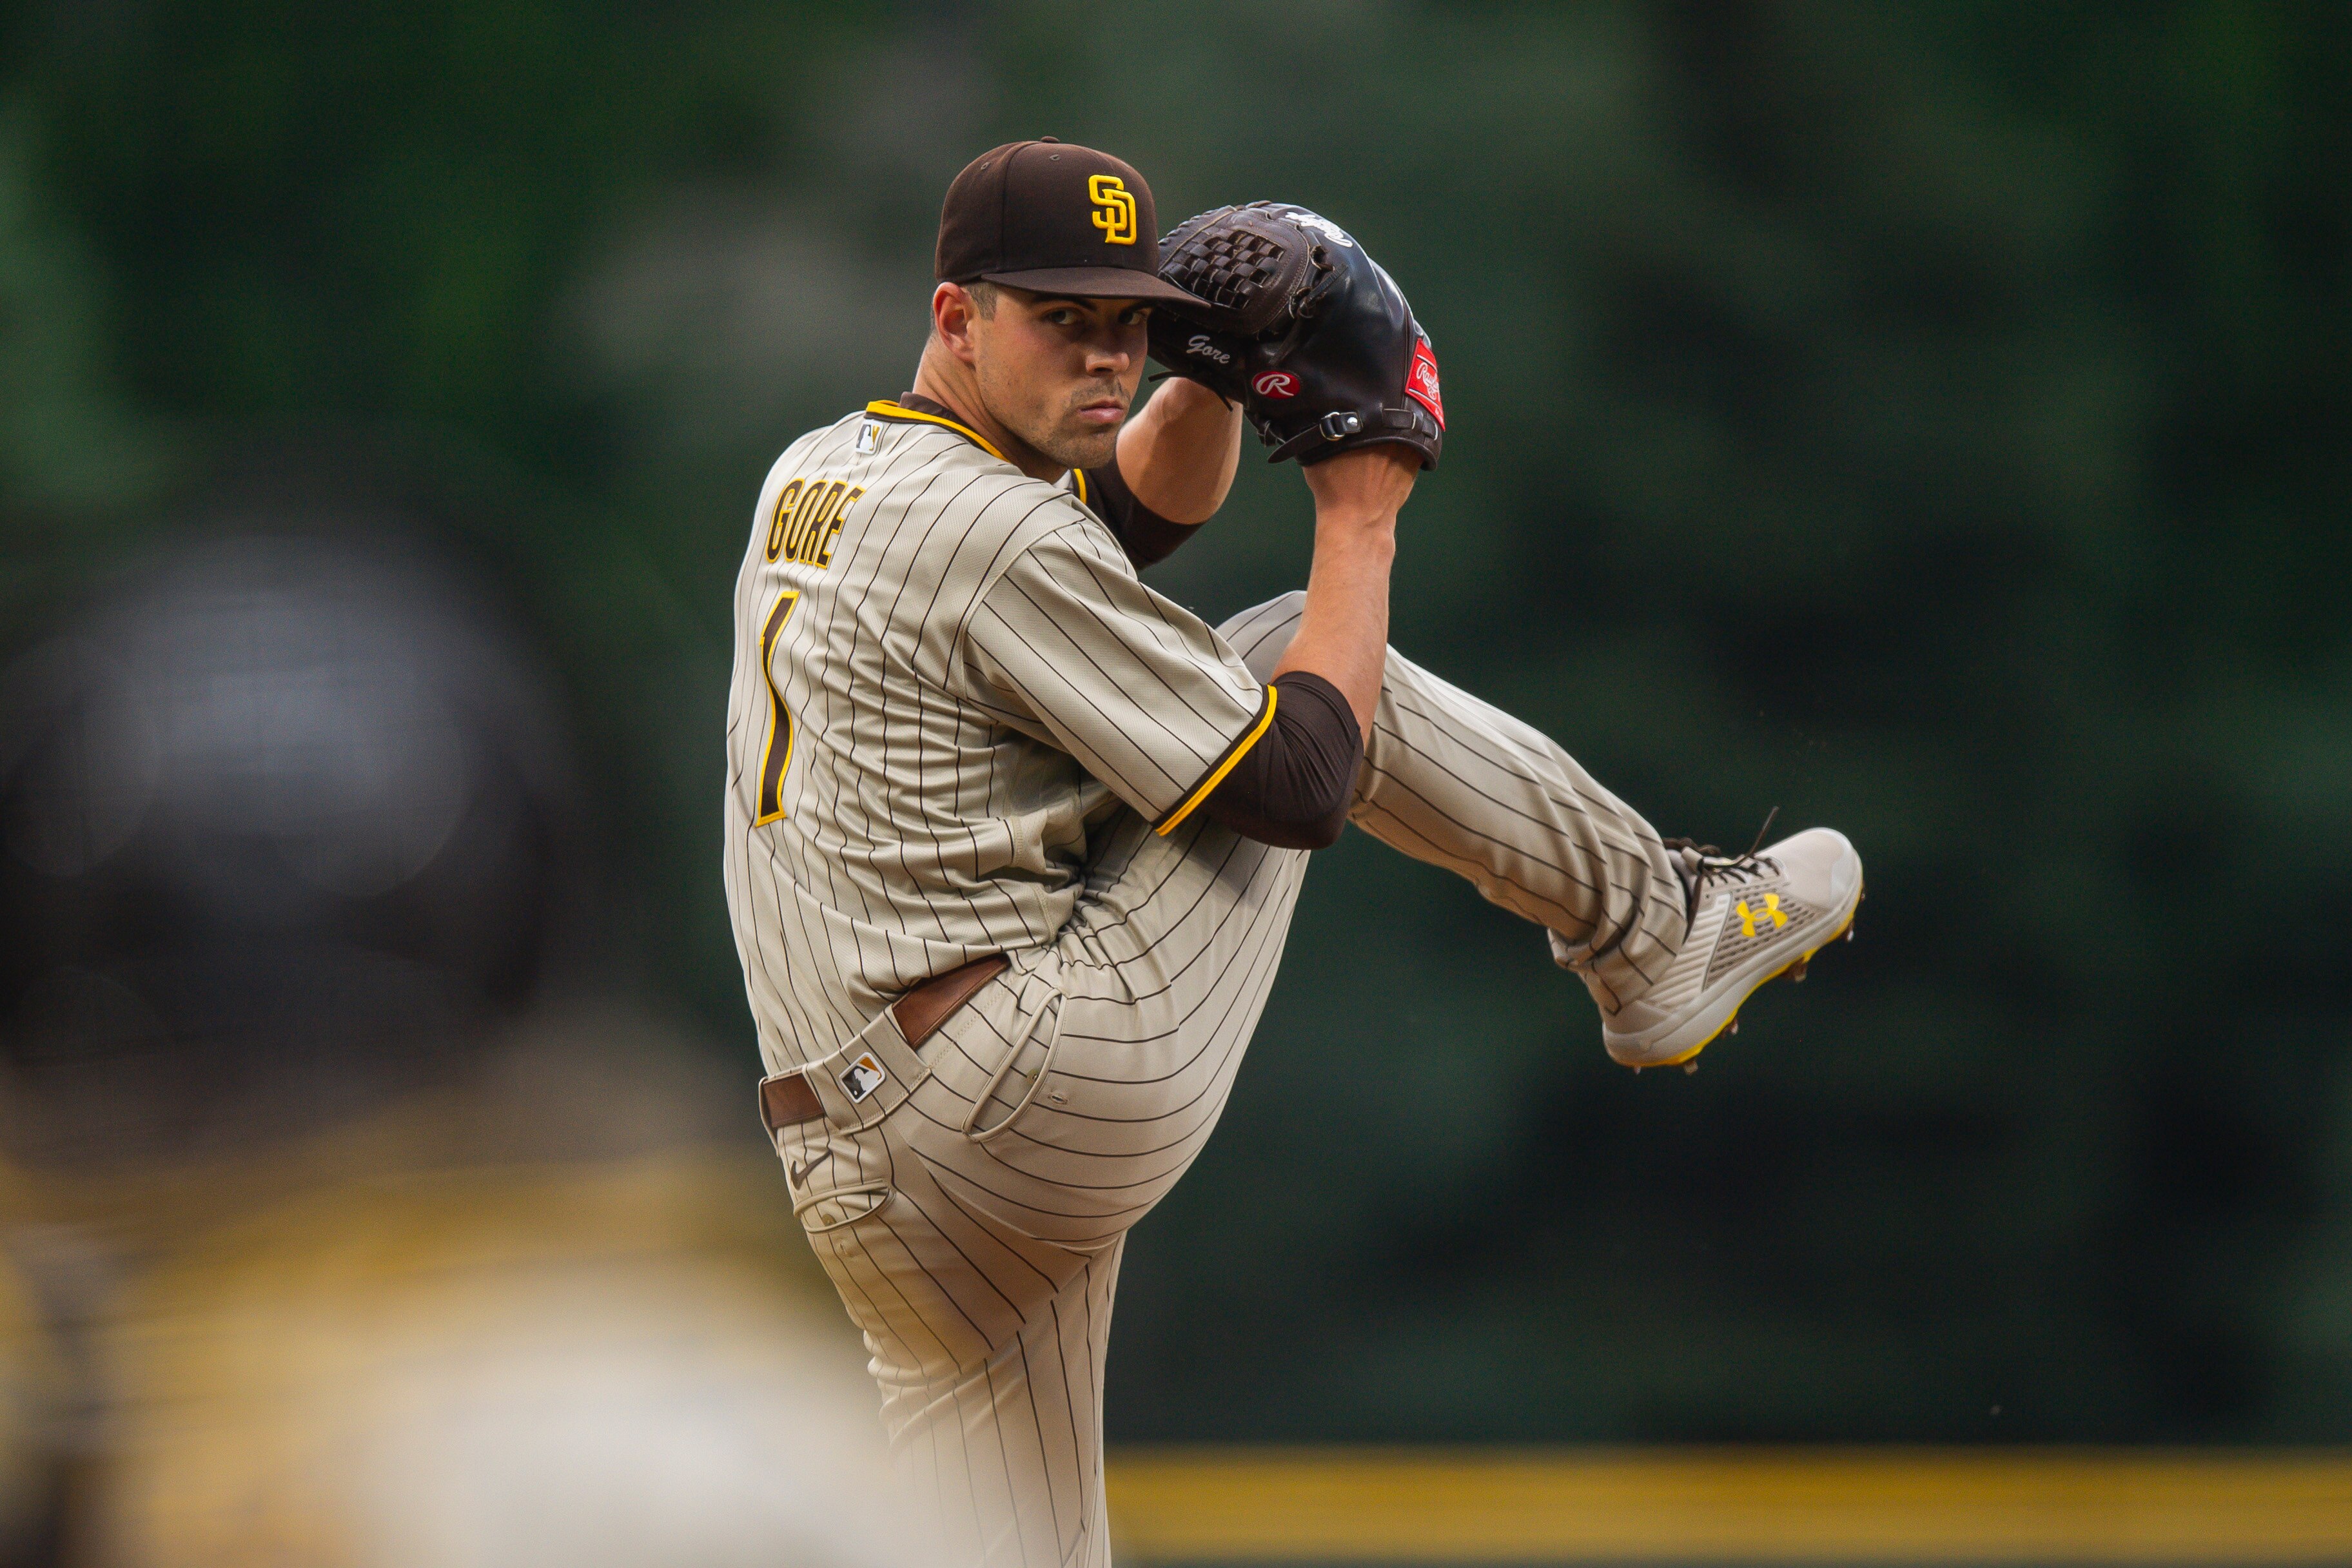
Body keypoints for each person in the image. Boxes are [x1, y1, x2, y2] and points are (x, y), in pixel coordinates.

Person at [722, 139, 1864, 1567]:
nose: (1104, 357)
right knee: (1278, 661)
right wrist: (1360, 508)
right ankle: (1656, 933)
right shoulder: (988, 533)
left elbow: (1112, 537)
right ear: (956, 316)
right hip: (1009, 1096)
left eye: (1129, 322)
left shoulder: (825, 472)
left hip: (859, 1170)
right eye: (1060, 319)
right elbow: (1304, 778)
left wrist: (1203, 373)